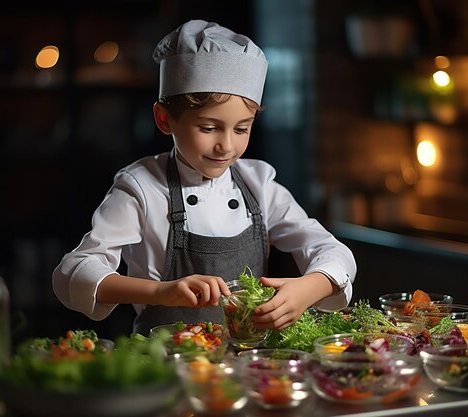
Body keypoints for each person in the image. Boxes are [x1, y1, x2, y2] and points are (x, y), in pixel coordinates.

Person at [52, 19, 356, 336]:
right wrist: (161, 291)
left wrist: (309, 287)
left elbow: (334, 252)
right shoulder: (141, 187)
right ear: (164, 119)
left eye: (242, 128)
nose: (226, 145)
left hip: (246, 368)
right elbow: (72, 273)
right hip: (168, 366)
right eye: (208, 128)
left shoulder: (259, 185)